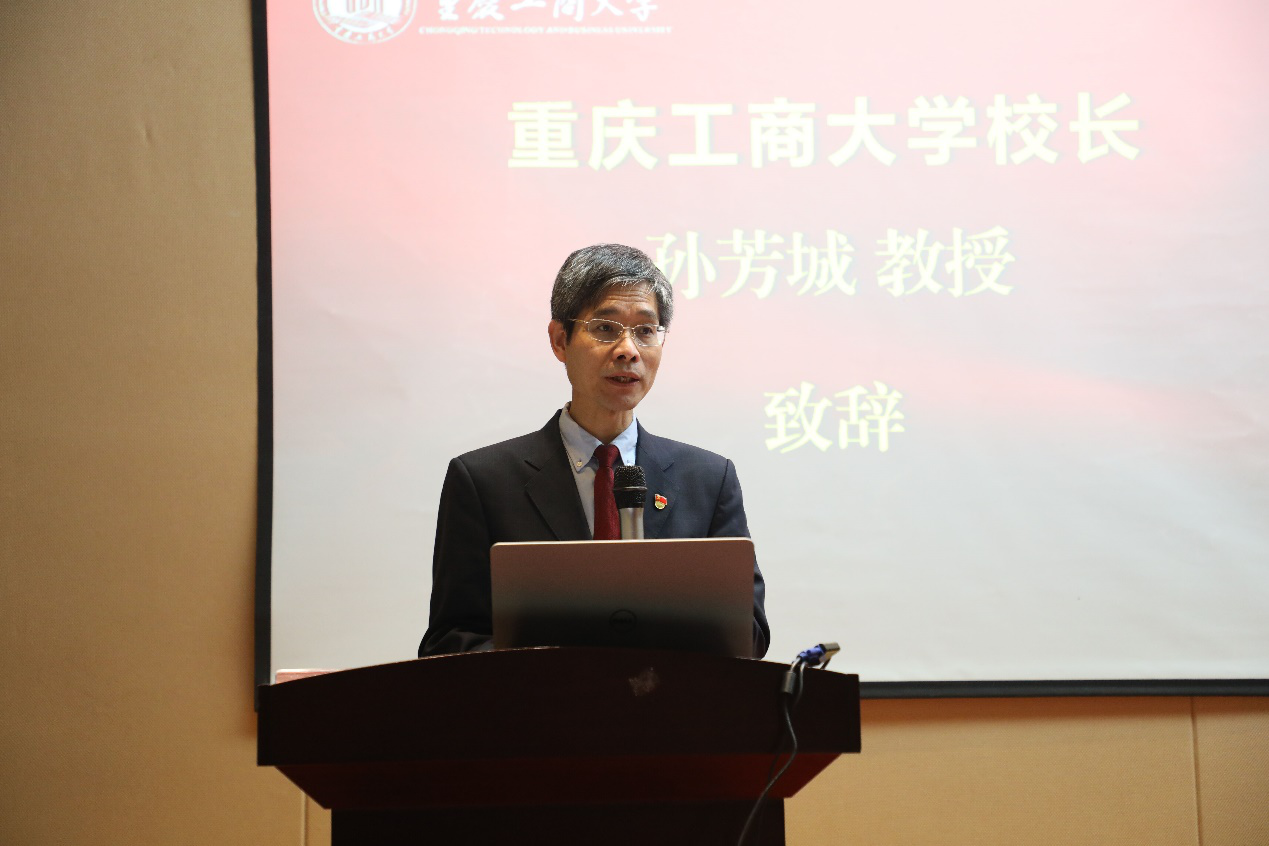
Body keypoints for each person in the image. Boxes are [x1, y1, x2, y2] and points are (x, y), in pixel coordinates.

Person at [418, 244, 769, 657]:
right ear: (559, 341)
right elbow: (451, 640)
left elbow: (749, 635)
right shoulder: (484, 481)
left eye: (645, 331)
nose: (628, 350)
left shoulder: (708, 480)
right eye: (605, 328)